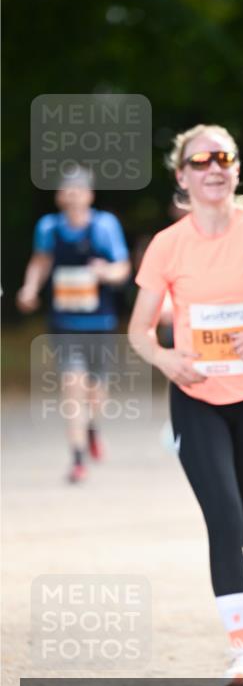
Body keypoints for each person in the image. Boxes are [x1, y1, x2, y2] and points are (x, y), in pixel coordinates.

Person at [128, 124, 243, 686]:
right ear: (182, 176)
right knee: (225, 522)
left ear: (235, 169)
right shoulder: (168, 245)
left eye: (223, 157)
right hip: (197, 401)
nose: (213, 167)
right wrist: (165, 360)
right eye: (200, 160)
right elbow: (138, 332)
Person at [17, 167, 131, 482]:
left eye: (79, 190)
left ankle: (92, 427)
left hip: (100, 322)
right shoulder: (49, 227)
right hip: (64, 323)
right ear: (59, 196)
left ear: (89, 195)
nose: (73, 195)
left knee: (97, 391)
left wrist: (105, 273)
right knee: (72, 386)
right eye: (67, 190)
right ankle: (77, 457)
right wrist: (29, 288)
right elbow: (40, 262)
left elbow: (122, 267)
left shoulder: (104, 226)